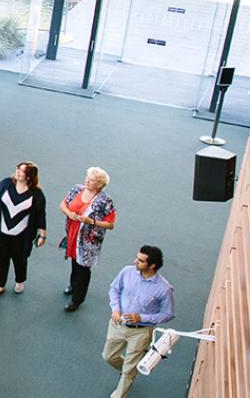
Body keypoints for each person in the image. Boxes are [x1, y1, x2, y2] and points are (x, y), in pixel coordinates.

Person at [103, 246, 175, 398]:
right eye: (137, 258)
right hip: (118, 324)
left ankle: (123, 388)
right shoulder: (127, 271)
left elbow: (168, 314)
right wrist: (115, 309)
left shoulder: (164, 288)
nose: (135, 261)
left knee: (128, 370)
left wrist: (142, 318)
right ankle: (129, 372)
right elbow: (114, 289)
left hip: (141, 332)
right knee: (108, 356)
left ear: (152, 265)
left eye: (140, 261)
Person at [0, 161, 47, 297]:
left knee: (20, 259)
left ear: (29, 176)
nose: (18, 172)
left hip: (22, 235)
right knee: (0, 258)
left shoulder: (36, 194)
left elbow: (41, 216)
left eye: (22, 171)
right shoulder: (5, 184)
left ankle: (20, 281)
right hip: (1, 231)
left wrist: (42, 236)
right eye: (18, 169)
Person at [59, 166, 117, 312]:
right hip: (72, 233)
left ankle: (77, 299)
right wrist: (69, 213)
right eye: (87, 178)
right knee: (74, 260)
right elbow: (63, 204)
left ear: (100, 185)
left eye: (92, 180)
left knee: (83, 267)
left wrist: (91, 221)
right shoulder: (77, 189)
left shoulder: (105, 201)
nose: (88, 181)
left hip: (88, 240)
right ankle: (73, 285)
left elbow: (110, 224)